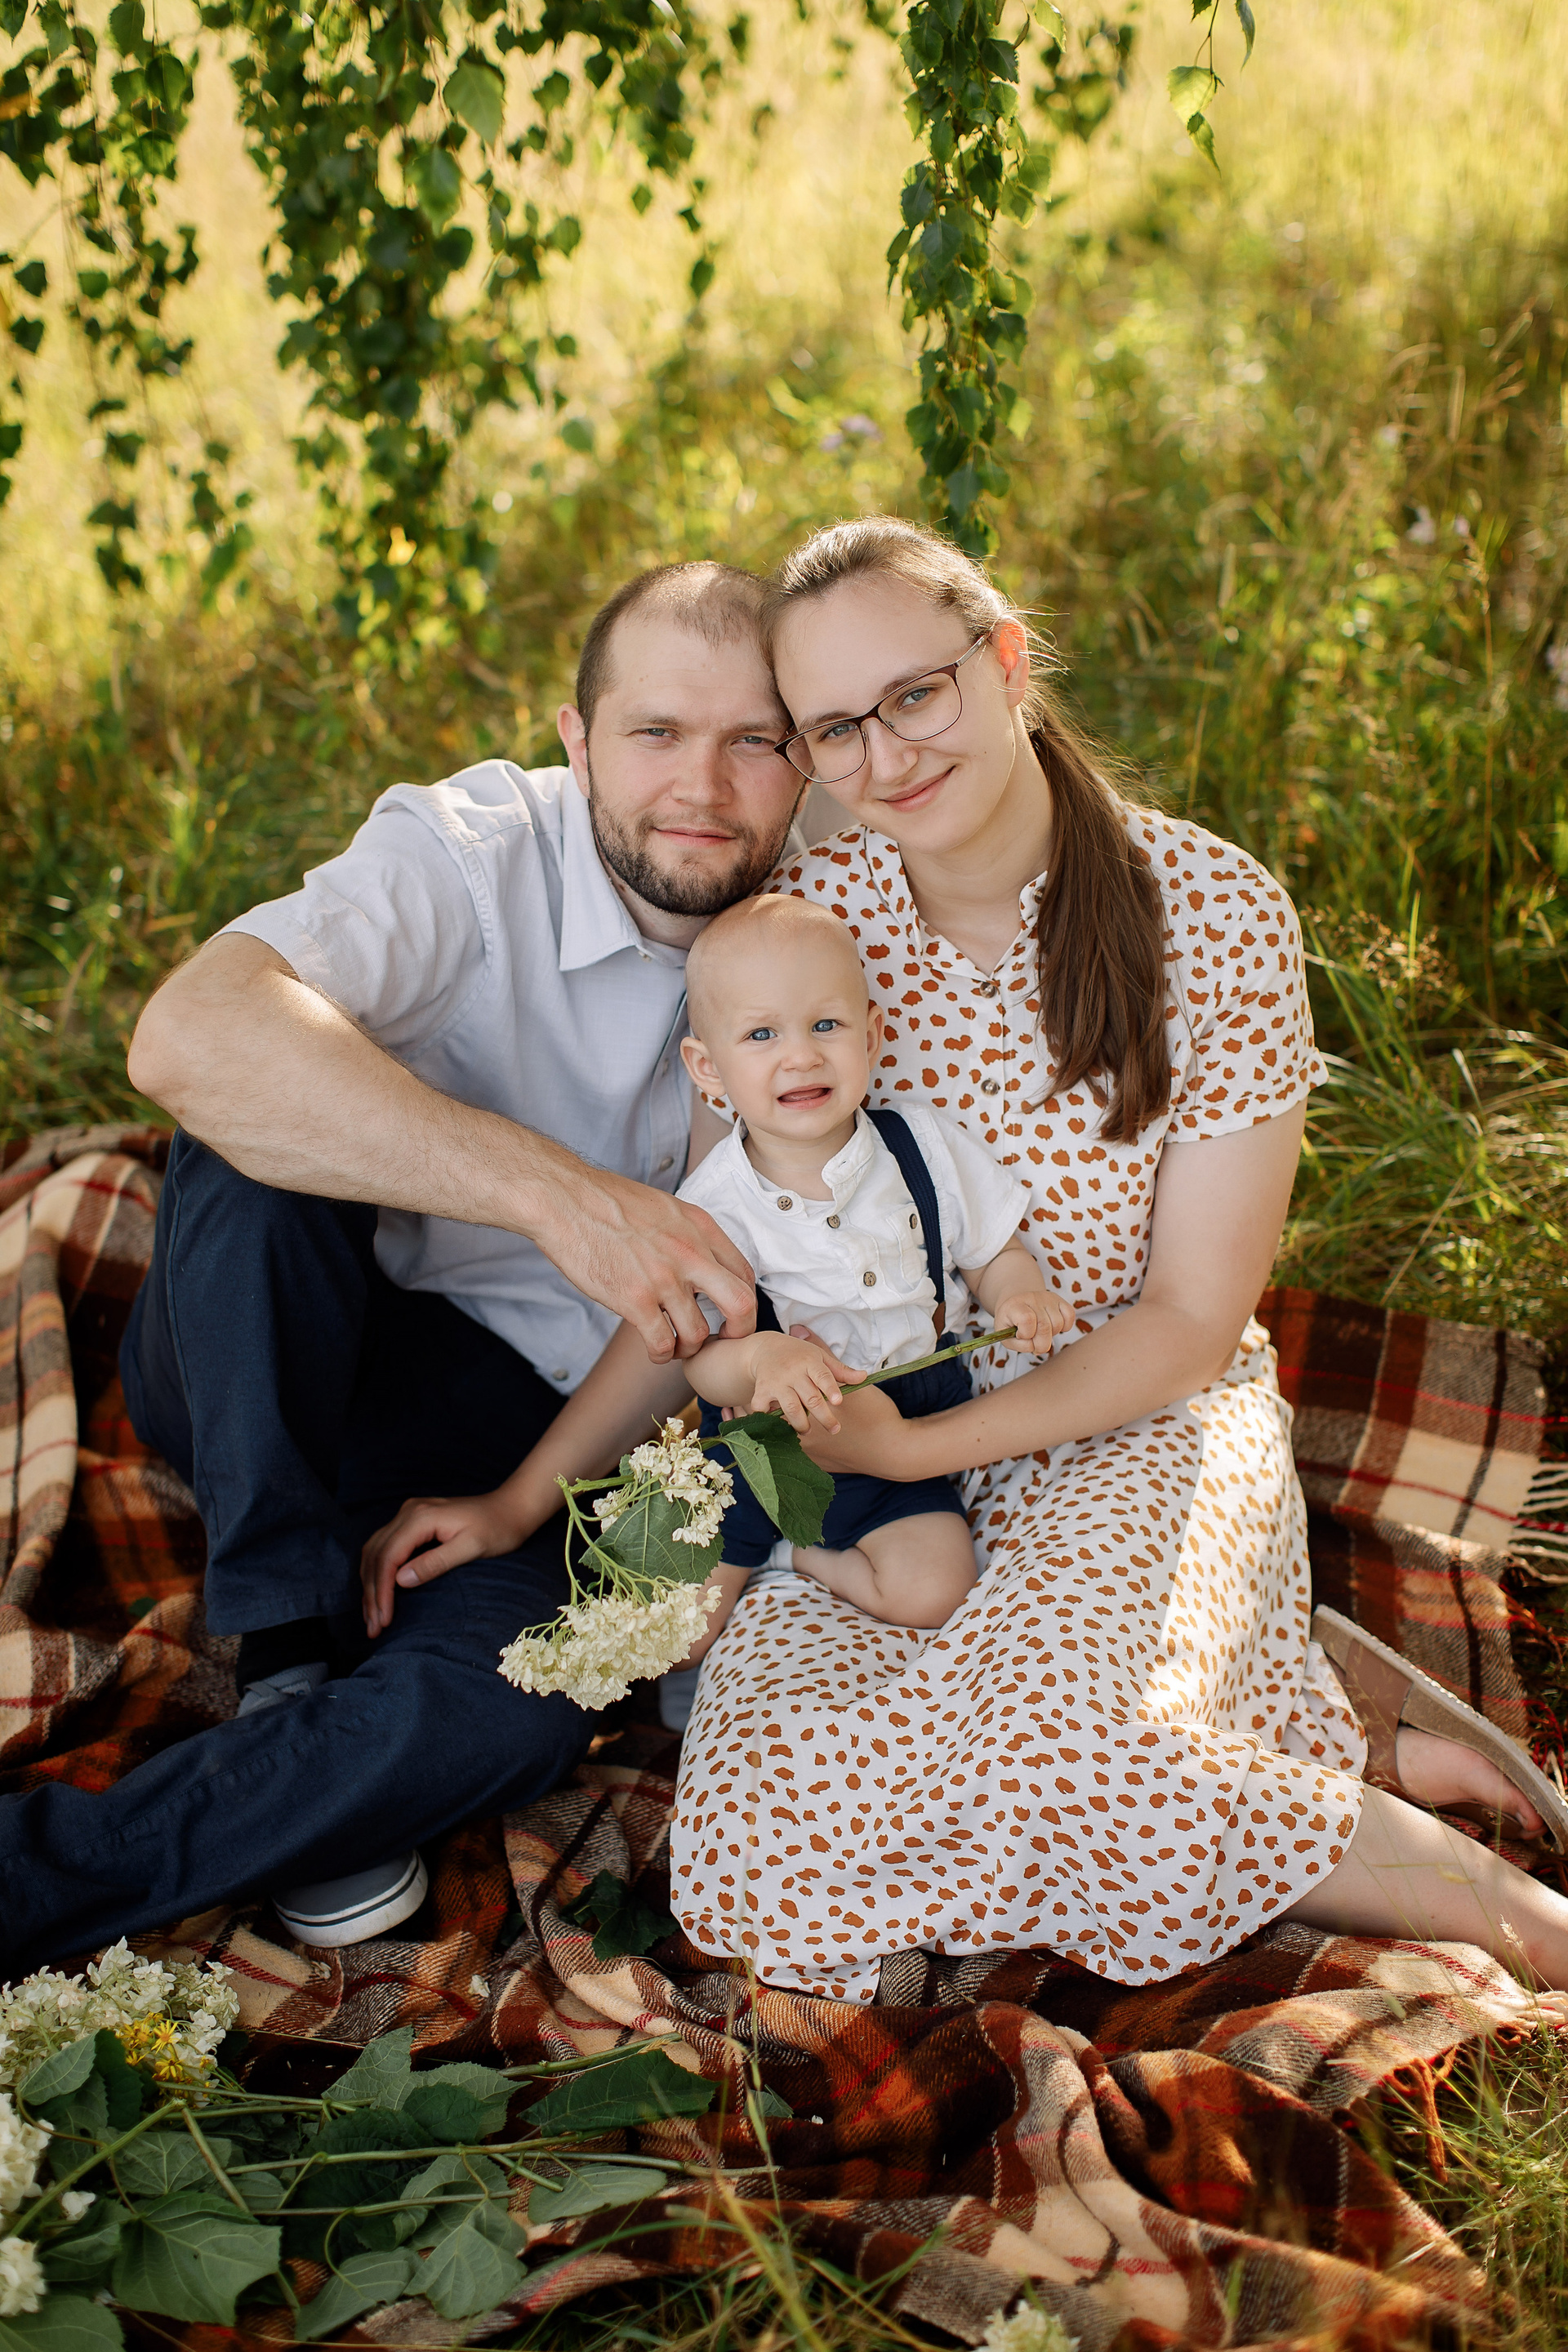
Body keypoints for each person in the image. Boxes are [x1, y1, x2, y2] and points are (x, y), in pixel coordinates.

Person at [650, 512, 1568, 2002]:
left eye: (916, 694)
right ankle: (1324, 1745)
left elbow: (1193, 1318)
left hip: (1134, 1413)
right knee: (754, 1838)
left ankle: (1515, 1914)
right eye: (836, 729)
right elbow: (731, 1235)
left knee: (1086, 1746)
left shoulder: (1210, 911)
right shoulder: (813, 933)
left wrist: (923, 1437)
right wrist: (797, 1417)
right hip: (877, 1445)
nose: (888, 756)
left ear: (1008, 661)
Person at [0, 560, 804, 1973]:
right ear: (576, 740)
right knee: (254, 1123)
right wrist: (562, 1199)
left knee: (516, 1714)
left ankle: (67, 1867)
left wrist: (531, 1499)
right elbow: (188, 1034)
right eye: (658, 733)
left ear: (809, 760)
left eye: (757, 739)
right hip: (289, 1364)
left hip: (558, 1445)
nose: (705, 785)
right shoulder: (475, 851)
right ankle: (287, 1639)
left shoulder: (841, 914)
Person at [672, 891, 1067, 1649]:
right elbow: (701, 1362)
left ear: (874, 1035)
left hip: (904, 1430)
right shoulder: (710, 1207)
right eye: (761, 1034)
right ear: (708, 1068)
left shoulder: (920, 1145)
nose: (801, 1055)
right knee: (680, 1638)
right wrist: (759, 1358)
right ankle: (759, 1550)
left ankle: (802, 1559)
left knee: (936, 1590)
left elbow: (992, 1250)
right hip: (761, 1450)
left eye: (826, 1025)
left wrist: (1018, 1294)